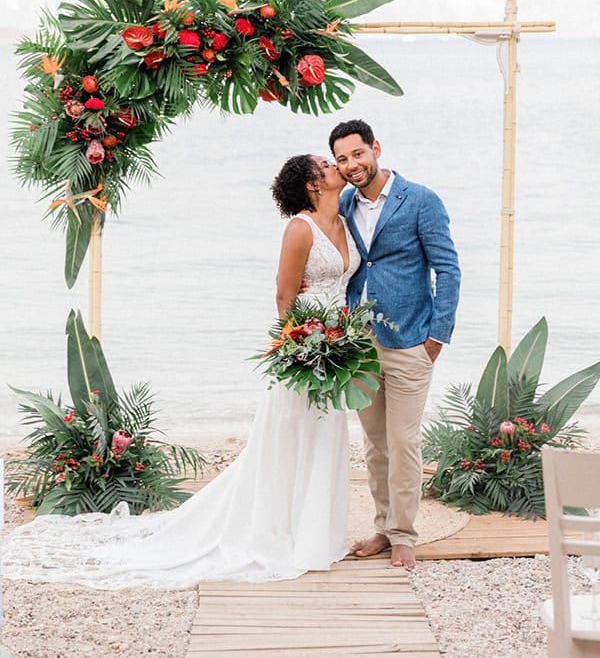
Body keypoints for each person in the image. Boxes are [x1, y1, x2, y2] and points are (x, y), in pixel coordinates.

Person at [2, 155, 360, 590]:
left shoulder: (345, 220)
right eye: (326, 162)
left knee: (327, 433)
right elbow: (284, 297)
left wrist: (345, 339)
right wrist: (300, 348)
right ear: (311, 183)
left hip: (340, 344)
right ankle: (278, 531)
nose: (336, 164)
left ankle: (317, 534)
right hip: (305, 348)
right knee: (291, 435)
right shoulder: (300, 228)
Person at [329, 119, 461, 571]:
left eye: (357, 154)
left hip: (410, 342)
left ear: (375, 149)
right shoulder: (344, 203)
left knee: (403, 443)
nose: (352, 165)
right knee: (374, 444)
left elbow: (449, 269)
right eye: (342, 159)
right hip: (360, 343)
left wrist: (436, 337)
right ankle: (384, 527)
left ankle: (405, 534)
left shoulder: (420, 200)